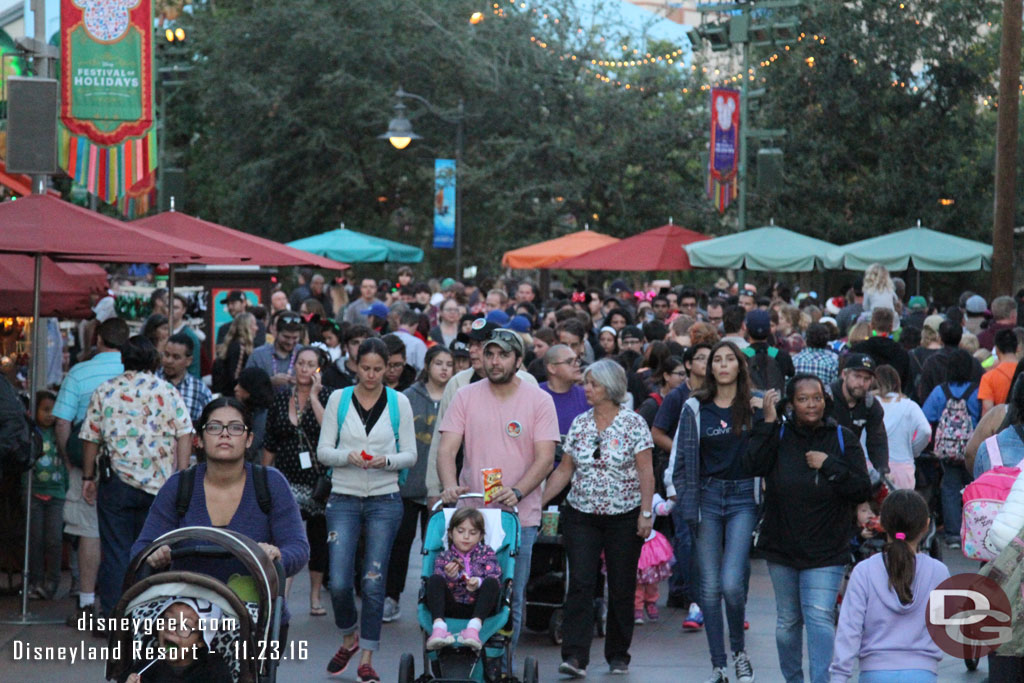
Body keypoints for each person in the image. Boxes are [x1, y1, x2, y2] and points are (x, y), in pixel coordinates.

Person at [132, 397, 309, 644]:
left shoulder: (271, 483)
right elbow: (142, 547)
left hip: (251, 616)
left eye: (235, 428)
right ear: (200, 440)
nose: (225, 434)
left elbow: (298, 548)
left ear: (248, 440)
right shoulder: (179, 485)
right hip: (185, 612)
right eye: (214, 427)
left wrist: (276, 555)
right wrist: (154, 554)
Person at [436, 328, 559, 660]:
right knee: (460, 590)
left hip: (519, 516)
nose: (495, 361)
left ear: (518, 360)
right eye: (489, 354)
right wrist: (449, 486)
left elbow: (546, 458)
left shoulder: (539, 400)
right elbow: (447, 450)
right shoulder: (465, 396)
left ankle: (501, 666)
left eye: (503, 355)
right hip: (470, 517)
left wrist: (517, 491)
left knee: (509, 596)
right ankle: (460, 660)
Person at [744, 375, 872, 683]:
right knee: (788, 622)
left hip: (828, 547)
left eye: (817, 398)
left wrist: (829, 464)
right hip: (782, 545)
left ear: (826, 400)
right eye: (803, 399)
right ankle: (793, 679)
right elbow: (753, 464)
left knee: (819, 617)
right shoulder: (778, 435)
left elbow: (861, 487)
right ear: (791, 404)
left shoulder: (843, 438)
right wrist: (769, 422)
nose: (811, 404)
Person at [542, 359, 654, 677]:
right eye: (586, 383)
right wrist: (538, 501)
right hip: (581, 513)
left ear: (610, 388)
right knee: (580, 582)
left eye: (593, 384)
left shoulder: (633, 423)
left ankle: (618, 654)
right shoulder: (580, 423)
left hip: (624, 514)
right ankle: (575, 656)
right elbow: (565, 469)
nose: (586, 389)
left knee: (621, 584)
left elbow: (646, 470)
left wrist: (646, 513)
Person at [316, 337, 417, 683]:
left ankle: (367, 658)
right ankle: (349, 637)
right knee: (341, 581)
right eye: (366, 368)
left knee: (373, 581)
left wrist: (385, 461)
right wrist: (348, 456)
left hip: (385, 499)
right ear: (354, 366)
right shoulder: (338, 399)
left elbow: (410, 455)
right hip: (343, 495)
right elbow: (324, 451)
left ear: (388, 368)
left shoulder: (399, 402)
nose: (372, 376)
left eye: (379, 369)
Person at [81, 335, 193, 618]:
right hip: (160, 484)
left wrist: (88, 476)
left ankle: (116, 615)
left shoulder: (105, 391)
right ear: (153, 360)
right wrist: (180, 474)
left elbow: (90, 437)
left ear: (123, 359)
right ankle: (149, 613)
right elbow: (184, 433)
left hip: (116, 482)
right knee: (154, 550)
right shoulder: (167, 391)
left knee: (116, 550)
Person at [671, 341, 761, 683]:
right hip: (706, 497)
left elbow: (771, 445)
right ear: (709, 369)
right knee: (708, 587)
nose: (722, 365)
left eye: (729, 359)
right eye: (716, 360)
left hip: (743, 498)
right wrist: (683, 496)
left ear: (739, 366)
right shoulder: (695, 406)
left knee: (732, 584)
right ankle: (719, 665)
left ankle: (739, 652)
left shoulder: (753, 403)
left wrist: (767, 414)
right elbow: (682, 459)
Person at [829, 490, 949, 683]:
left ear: (882, 524)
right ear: (926, 525)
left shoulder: (864, 571)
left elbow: (849, 629)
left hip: (874, 673)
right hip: (923, 672)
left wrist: (839, 676)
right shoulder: (938, 571)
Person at [52, 317, 127, 625]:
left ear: (97, 339)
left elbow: (61, 421)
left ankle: (85, 603)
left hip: (87, 463)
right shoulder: (136, 373)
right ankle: (122, 601)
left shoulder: (80, 373)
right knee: (123, 533)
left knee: (89, 533)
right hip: (129, 465)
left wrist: (70, 458)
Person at [384, 346, 455, 623]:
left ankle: (433, 598)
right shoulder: (408, 397)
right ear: (428, 365)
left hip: (440, 488)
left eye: (449, 364)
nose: (445, 369)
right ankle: (392, 597)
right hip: (407, 484)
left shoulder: (457, 397)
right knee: (400, 545)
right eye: (439, 363)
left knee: (436, 545)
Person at [261, 346, 332, 616]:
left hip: (317, 481)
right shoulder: (280, 399)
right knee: (285, 537)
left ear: (318, 369)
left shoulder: (328, 396)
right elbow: (270, 440)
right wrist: (263, 478)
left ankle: (315, 596)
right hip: (285, 478)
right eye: (300, 363)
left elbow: (330, 430)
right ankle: (284, 595)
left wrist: (314, 396)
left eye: (310, 364)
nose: (304, 369)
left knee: (317, 536)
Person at [653, 342, 709, 620]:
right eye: (701, 358)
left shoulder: (717, 393)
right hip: (680, 476)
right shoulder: (678, 396)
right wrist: (682, 449)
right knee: (685, 538)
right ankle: (688, 593)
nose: (707, 363)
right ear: (688, 364)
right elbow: (657, 432)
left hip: (710, 478)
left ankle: (691, 592)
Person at [425, 508, 503, 651]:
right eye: (460, 531)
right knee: (435, 579)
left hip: (479, 608)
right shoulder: (444, 557)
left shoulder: (486, 553)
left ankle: (473, 629)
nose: (466, 537)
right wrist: (452, 577)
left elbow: (494, 574)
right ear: (450, 533)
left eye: (472, 533)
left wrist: (478, 582)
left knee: (492, 582)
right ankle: (439, 628)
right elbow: (439, 586)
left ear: (480, 536)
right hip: (452, 605)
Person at [124, 598, 233, 683]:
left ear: (201, 640)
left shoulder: (214, 672)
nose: (171, 629)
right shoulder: (146, 665)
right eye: (167, 620)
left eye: (185, 626)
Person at [27, 391, 66, 600]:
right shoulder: (31, 435)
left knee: (54, 539)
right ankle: (34, 580)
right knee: (35, 540)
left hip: (56, 493)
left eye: (53, 410)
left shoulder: (60, 434)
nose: (50, 415)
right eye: (45, 410)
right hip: (35, 493)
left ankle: (51, 582)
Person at [829, 353, 889, 475]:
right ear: (844, 375)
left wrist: (883, 470)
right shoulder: (827, 399)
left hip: (851, 464)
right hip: (823, 462)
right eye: (857, 376)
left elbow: (877, 440)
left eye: (866, 379)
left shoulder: (870, 404)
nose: (861, 383)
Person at [873, 365, 931, 490]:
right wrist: (913, 449)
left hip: (870, 465)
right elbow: (926, 431)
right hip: (902, 467)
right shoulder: (909, 405)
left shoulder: (867, 403)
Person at [539, 344, 588, 464]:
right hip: (542, 471)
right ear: (552, 368)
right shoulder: (536, 395)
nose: (577, 365)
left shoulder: (587, 396)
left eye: (577, 360)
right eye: (570, 361)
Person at [917, 320, 983, 404]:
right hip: (970, 411)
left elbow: (925, 395)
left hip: (938, 411)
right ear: (960, 337)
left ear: (940, 338)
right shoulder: (973, 362)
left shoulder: (931, 362)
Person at [158, 332, 213, 425]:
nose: (169, 361)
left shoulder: (200, 390)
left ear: (188, 361)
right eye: (166, 355)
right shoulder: (152, 382)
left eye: (176, 357)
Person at [852, 308, 911, 391]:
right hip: (894, 398)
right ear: (891, 327)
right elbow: (906, 382)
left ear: (871, 325)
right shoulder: (901, 353)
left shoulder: (858, 349)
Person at [246, 310, 304, 392]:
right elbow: (246, 384)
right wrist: (269, 382)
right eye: (286, 337)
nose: (290, 342)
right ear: (276, 332)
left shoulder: (304, 354)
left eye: (295, 338)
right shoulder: (258, 355)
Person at [234, 367, 274, 462]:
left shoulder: (262, 415)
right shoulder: (251, 411)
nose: (235, 388)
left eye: (241, 385)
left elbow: (252, 446)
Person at [213, 312, 258, 395]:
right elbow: (235, 377)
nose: (256, 328)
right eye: (254, 325)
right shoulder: (239, 348)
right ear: (247, 327)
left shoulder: (232, 345)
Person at [979, 328, 1019, 415]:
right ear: (1017, 348)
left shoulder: (988, 377)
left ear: (996, 350)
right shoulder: (1020, 370)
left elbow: (987, 412)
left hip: (1001, 425)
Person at [170, 294, 204, 379]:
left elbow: (194, 368)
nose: (171, 311)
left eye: (176, 308)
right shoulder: (161, 332)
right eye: (169, 306)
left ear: (183, 310)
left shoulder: (190, 336)